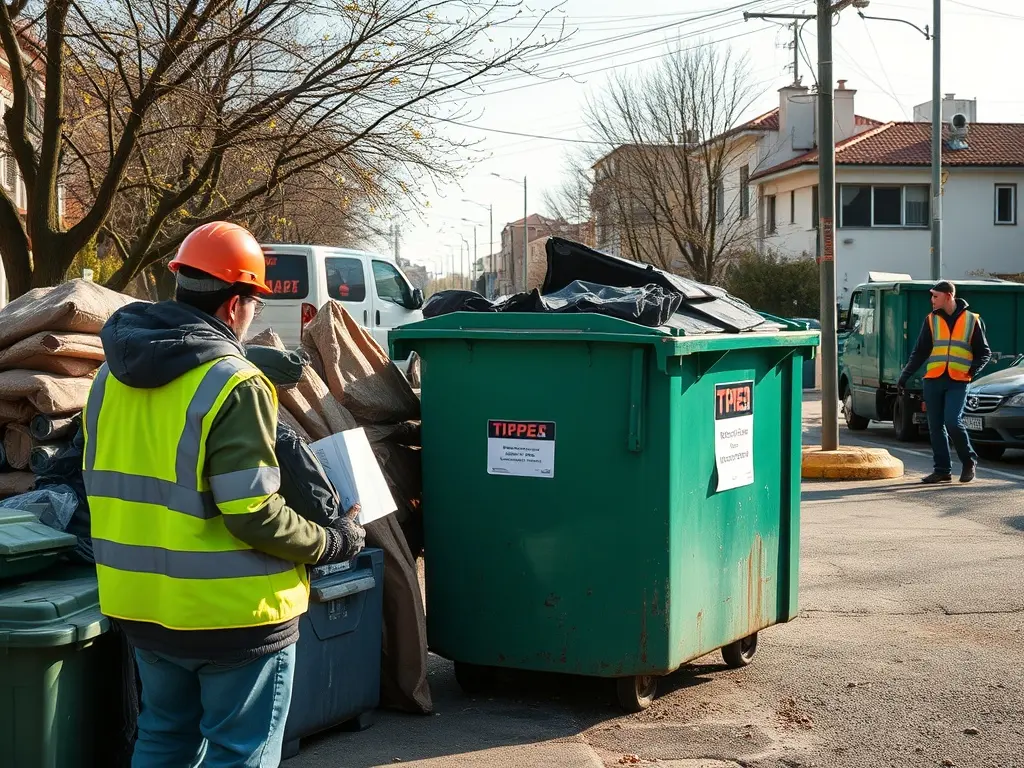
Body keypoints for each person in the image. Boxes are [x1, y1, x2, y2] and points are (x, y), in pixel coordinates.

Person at [83, 221, 365, 768]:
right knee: (240, 753)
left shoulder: (107, 378)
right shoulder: (236, 383)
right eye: (255, 301)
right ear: (235, 304)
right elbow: (253, 512)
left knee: (163, 737)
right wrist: (335, 541)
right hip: (234, 616)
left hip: (140, 605)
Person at [898, 280, 992, 485]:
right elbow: (920, 351)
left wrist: (972, 370)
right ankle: (942, 470)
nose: (931, 300)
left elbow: (984, 352)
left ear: (948, 296)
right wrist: (905, 375)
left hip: (958, 380)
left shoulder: (972, 320)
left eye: (935, 296)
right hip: (934, 379)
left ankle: (969, 462)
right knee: (935, 426)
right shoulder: (931, 320)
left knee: (952, 422)